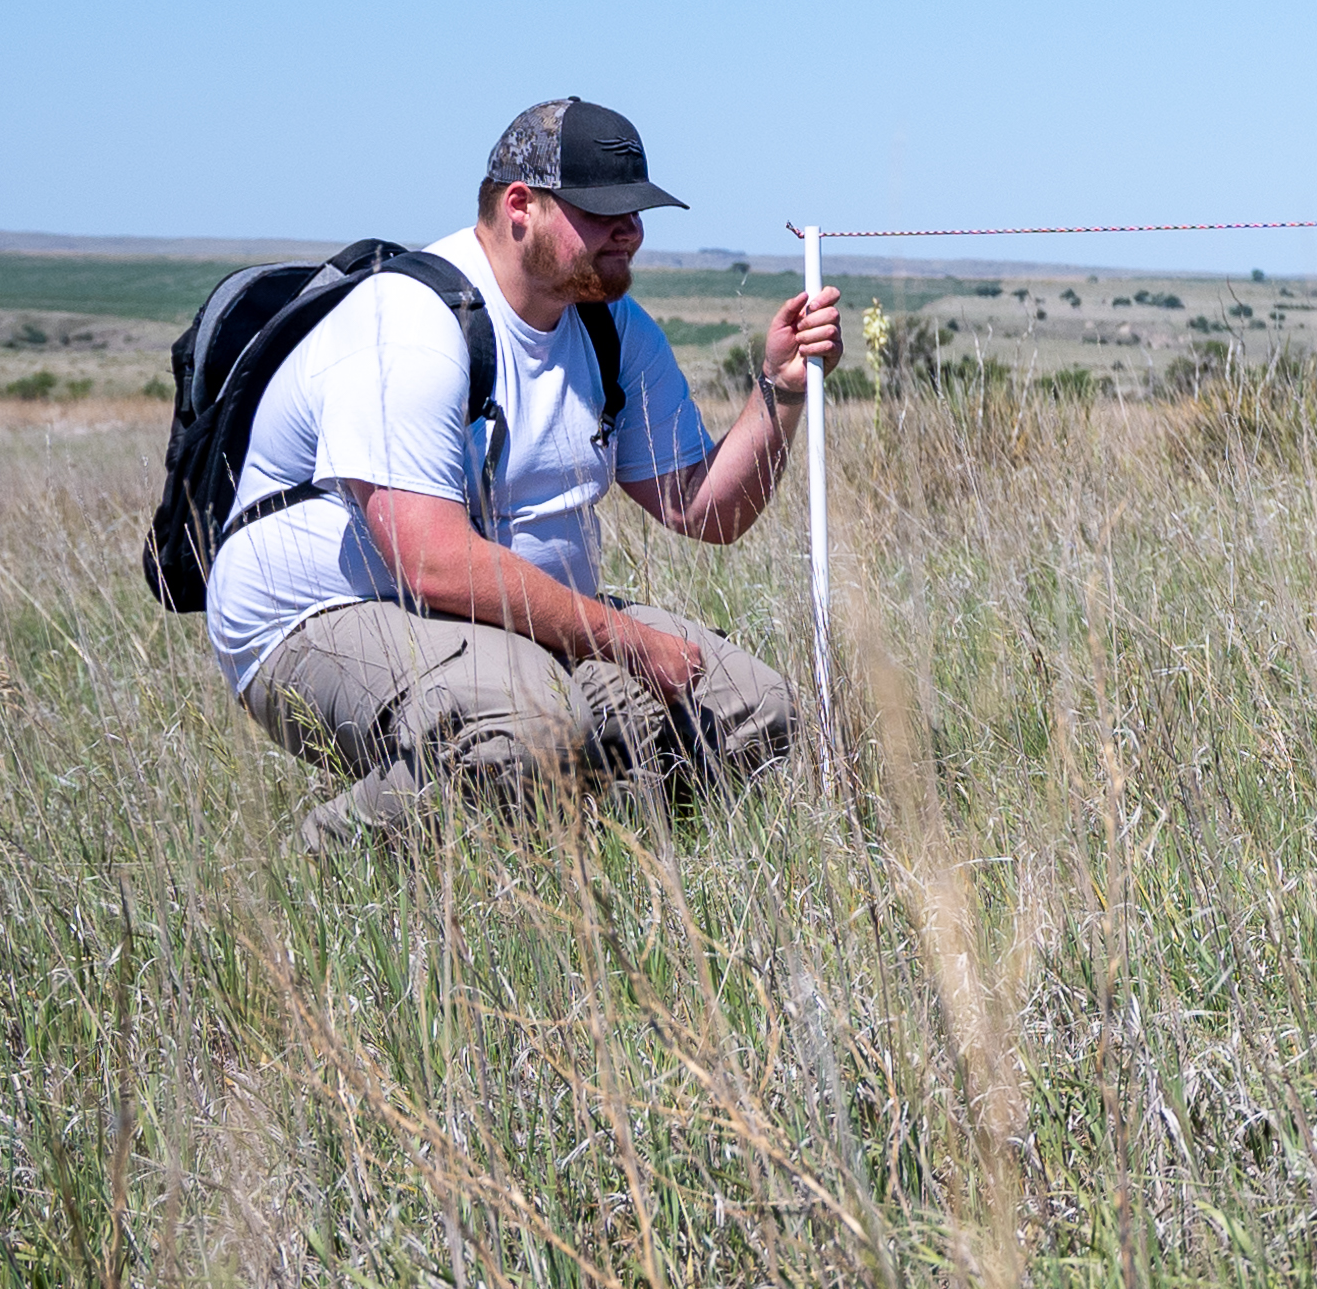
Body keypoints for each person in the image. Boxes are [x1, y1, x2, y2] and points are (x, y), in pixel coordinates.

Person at [199, 97, 849, 850]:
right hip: (315, 617)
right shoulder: (409, 326)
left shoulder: (610, 327)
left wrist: (781, 391)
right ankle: (320, 860)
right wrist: (628, 641)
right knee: (530, 728)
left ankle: (590, 865)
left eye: (637, 212)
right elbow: (433, 564)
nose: (629, 231)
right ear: (520, 206)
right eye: (603, 212)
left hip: (506, 615)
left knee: (751, 712)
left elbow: (706, 510)